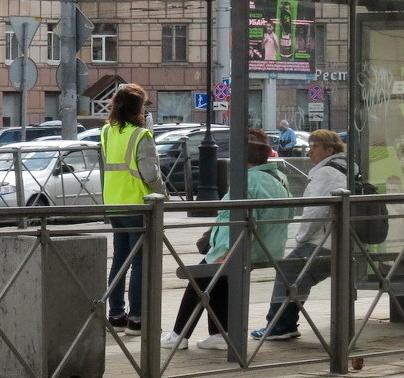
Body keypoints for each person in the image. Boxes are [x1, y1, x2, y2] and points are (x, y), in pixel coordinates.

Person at [161, 128, 292, 351]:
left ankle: (178, 335)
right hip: (268, 249)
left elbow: (239, 224)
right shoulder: (279, 177)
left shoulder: (247, 181)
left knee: (199, 280)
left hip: (238, 249)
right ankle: (220, 334)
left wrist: (225, 253)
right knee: (219, 283)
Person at [255, 129, 350, 341]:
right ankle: (286, 323)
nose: (310, 151)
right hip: (346, 241)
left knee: (287, 270)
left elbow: (315, 211)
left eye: (315, 146)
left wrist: (301, 238)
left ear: (329, 149)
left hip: (325, 242)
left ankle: (278, 325)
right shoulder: (347, 167)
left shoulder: (326, 172)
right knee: (300, 278)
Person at [99, 84, 168, 333]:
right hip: (138, 203)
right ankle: (137, 319)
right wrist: (163, 193)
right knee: (139, 261)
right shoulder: (141, 136)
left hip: (114, 202)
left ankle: (116, 315)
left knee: (120, 259)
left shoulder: (107, 131)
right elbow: (150, 173)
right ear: (139, 108)